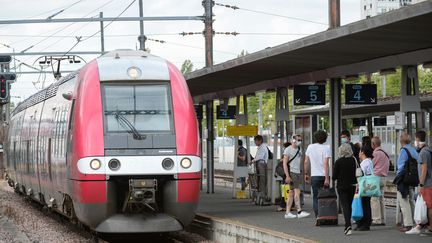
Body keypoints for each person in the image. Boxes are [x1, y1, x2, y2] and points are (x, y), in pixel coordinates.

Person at [406, 130, 432, 234]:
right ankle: (425, 226)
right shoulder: (428, 150)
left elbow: (424, 169)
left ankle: (430, 227)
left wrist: (421, 183)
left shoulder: (423, 153)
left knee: (429, 206)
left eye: (415, 139)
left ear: (417, 139)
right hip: (429, 182)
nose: (415, 142)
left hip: (427, 183)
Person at [393, 132, 418, 232]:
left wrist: (398, 178)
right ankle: (415, 222)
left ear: (401, 140)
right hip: (413, 179)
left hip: (404, 179)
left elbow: (401, 166)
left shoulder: (403, 151)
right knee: (412, 200)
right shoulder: (414, 150)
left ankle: (408, 224)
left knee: (404, 201)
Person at [304, 130, 331, 219]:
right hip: (324, 176)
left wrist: (306, 174)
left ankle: (318, 216)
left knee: (316, 197)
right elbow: (326, 164)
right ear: (325, 138)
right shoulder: (327, 148)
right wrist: (327, 178)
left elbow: (306, 162)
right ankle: (325, 215)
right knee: (325, 197)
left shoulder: (310, 147)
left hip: (314, 176)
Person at [333, 143, 357, 235]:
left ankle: (348, 225)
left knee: (345, 205)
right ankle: (348, 222)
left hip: (342, 186)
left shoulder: (338, 161)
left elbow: (334, 176)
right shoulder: (354, 160)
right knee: (349, 205)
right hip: (352, 185)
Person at [283, 135, 310, 219]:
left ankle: (287, 212)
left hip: (297, 172)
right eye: (298, 140)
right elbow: (284, 163)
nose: (300, 141)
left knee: (291, 193)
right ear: (293, 140)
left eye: (301, 140)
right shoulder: (288, 150)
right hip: (292, 172)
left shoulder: (299, 149)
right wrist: (287, 175)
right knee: (297, 191)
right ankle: (299, 211)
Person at [371, 136, 390, 226]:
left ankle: (376, 219)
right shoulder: (385, 153)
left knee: (374, 198)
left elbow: (371, 165)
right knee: (381, 198)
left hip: (376, 178)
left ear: (374, 144)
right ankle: (383, 219)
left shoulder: (376, 153)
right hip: (383, 178)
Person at [355, 146, 374, 231]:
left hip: (364, 185)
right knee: (366, 204)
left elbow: (360, 174)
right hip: (368, 185)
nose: (359, 153)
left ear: (362, 152)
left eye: (360, 151)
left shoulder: (364, 163)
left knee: (363, 205)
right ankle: (364, 223)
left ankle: (364, 224)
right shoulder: (369, 161)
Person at [252, 135, 269, 199]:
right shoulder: (261, 147)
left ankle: (263, 194)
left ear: (260, 141)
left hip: (262, 165)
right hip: (260, 165)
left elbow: (260, 157)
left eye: (256, 141)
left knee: (262, 180)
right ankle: (262, 193)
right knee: (260, 180)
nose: (255, 142)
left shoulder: (263, 148)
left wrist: (253, 161)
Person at [277, 141, 291, 212]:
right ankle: (291, 205)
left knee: (285, 190)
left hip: (286, 174)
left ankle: (283, 205)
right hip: (292, 173)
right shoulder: (294, 152)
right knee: (290, 189)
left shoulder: (287, 153)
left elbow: (284, 162)